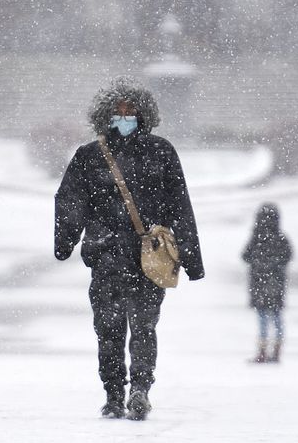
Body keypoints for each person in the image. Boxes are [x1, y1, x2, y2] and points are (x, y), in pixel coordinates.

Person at [54, 77, 204, 421]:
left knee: (143, 328)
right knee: (108, 331)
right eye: (118, 110)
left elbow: (180, 205)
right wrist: (66, 239)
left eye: (130, 110)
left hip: (147, 260)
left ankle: (140, 388)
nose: (125, 116)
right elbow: (70, 200)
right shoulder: (89, 157)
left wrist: (192, 258)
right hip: (105, 257)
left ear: (143, 114)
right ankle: (113, 392)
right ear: (104, 115)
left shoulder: (161, 152)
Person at [242, 203, 292, 364]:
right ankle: (277, 351)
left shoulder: (256, 238)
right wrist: (274, 266)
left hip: (259, 283)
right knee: (276, 316)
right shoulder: (280, 238)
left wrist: (260, 264)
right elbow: (287, 256)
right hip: (276, 283)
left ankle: (262, 352)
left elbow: (245, 256)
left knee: (263, 317)